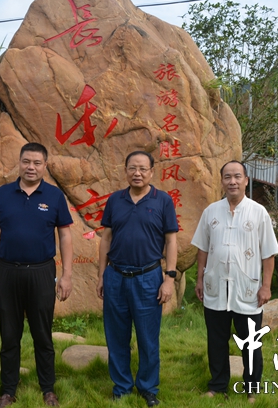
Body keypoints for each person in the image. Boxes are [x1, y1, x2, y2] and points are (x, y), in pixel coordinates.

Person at [0, 142, 73, 408]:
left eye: (36, 163)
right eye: (26, 162)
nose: (31, 167)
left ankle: (48, 389)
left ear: (45, 166)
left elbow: (65, 236)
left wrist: (66, 275)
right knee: (9, 335)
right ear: (19, 163)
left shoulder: (54, 196)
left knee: (42, 334)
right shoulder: (3, 194)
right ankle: (8, 391)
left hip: (42, 272)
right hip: (7, 272)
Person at [191, 160, 278, 404]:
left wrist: (266, 286)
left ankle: (252, 389)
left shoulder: (258, 212)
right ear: (221, 181)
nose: (232, 181)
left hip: (247, 289)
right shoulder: (211, 212)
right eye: (227, 177)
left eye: (237, 176)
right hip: (216, 287)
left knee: (251, 343)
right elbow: (202, 248)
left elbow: (268, 253)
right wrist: (199, 278)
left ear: (246, 180)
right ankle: (218, 385)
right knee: (216, 341)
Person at [96, 150, 178, 407]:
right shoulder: (115, 200)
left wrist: (169, 278)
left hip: (148, 277)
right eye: (132, 168)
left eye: (143, 168)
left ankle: (147, 387)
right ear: (125, 171)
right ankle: (121, 386)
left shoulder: (162, 200)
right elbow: (106, 239)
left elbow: (171, 241)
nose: (137, 173)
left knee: (147, 337)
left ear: (152, 172)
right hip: (116, 276)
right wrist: (101, 275)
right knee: (116, 335)